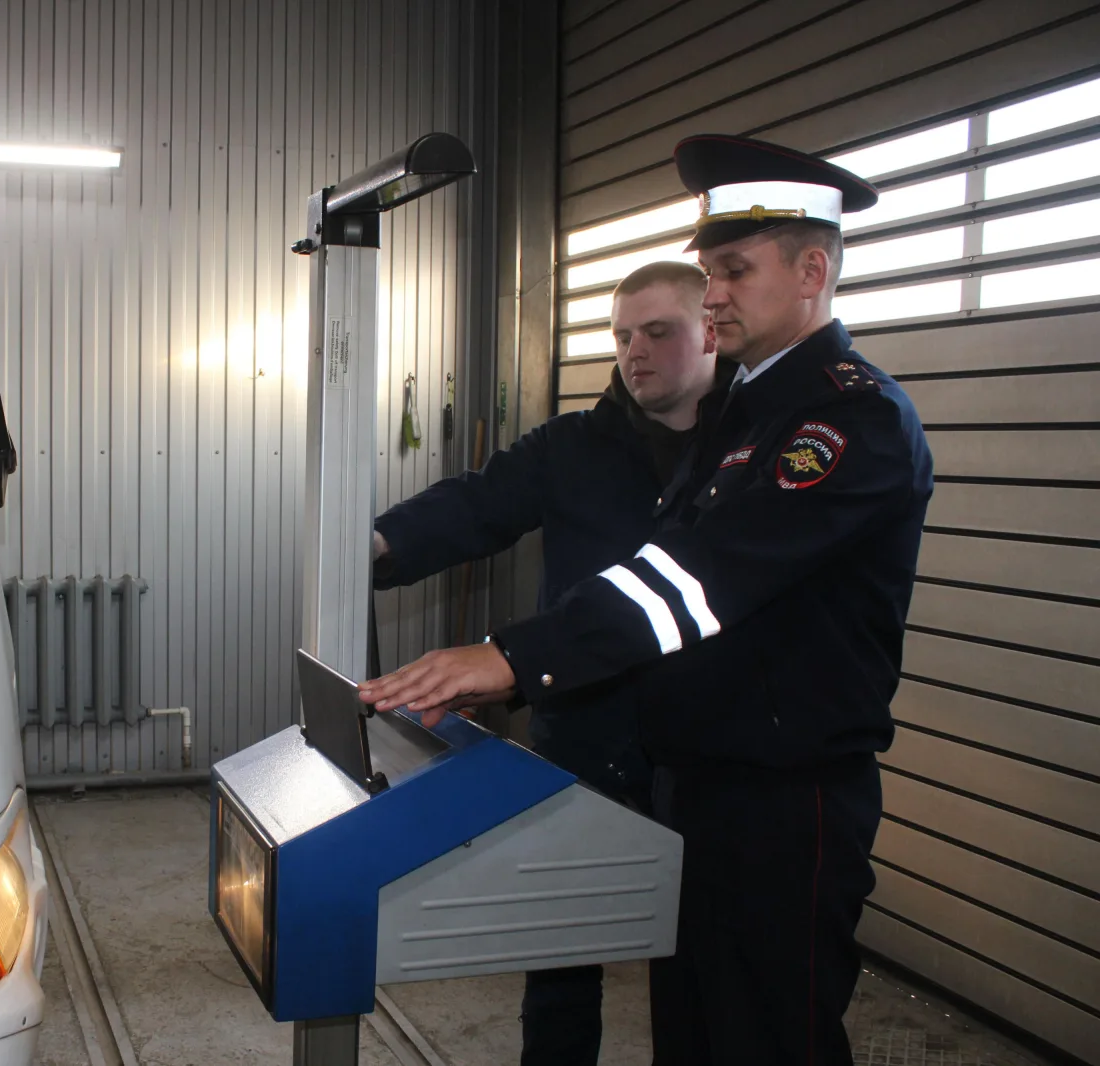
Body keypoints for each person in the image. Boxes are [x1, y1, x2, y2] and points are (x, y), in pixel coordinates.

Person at [359, 134, 934, 1066]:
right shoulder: (745, 418)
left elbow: (695, 582)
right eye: (709, 272)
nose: (715, 295)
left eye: (735, 271)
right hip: (697, 785)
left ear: (813, 270)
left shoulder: (845, 420)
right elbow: (616, 551)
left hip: (782, 803)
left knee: (767, 1036)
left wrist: (510, 657)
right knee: (695, 1034)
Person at [371, 259, 720, 1066]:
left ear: (712, 328)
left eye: (658, 332)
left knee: (698, 962)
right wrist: (377, 543)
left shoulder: (746, 453)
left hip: (704, 745)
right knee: (562, 954)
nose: (635, 352)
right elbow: (479, 502)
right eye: (623, 336)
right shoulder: (576, 444)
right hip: (584, 734)